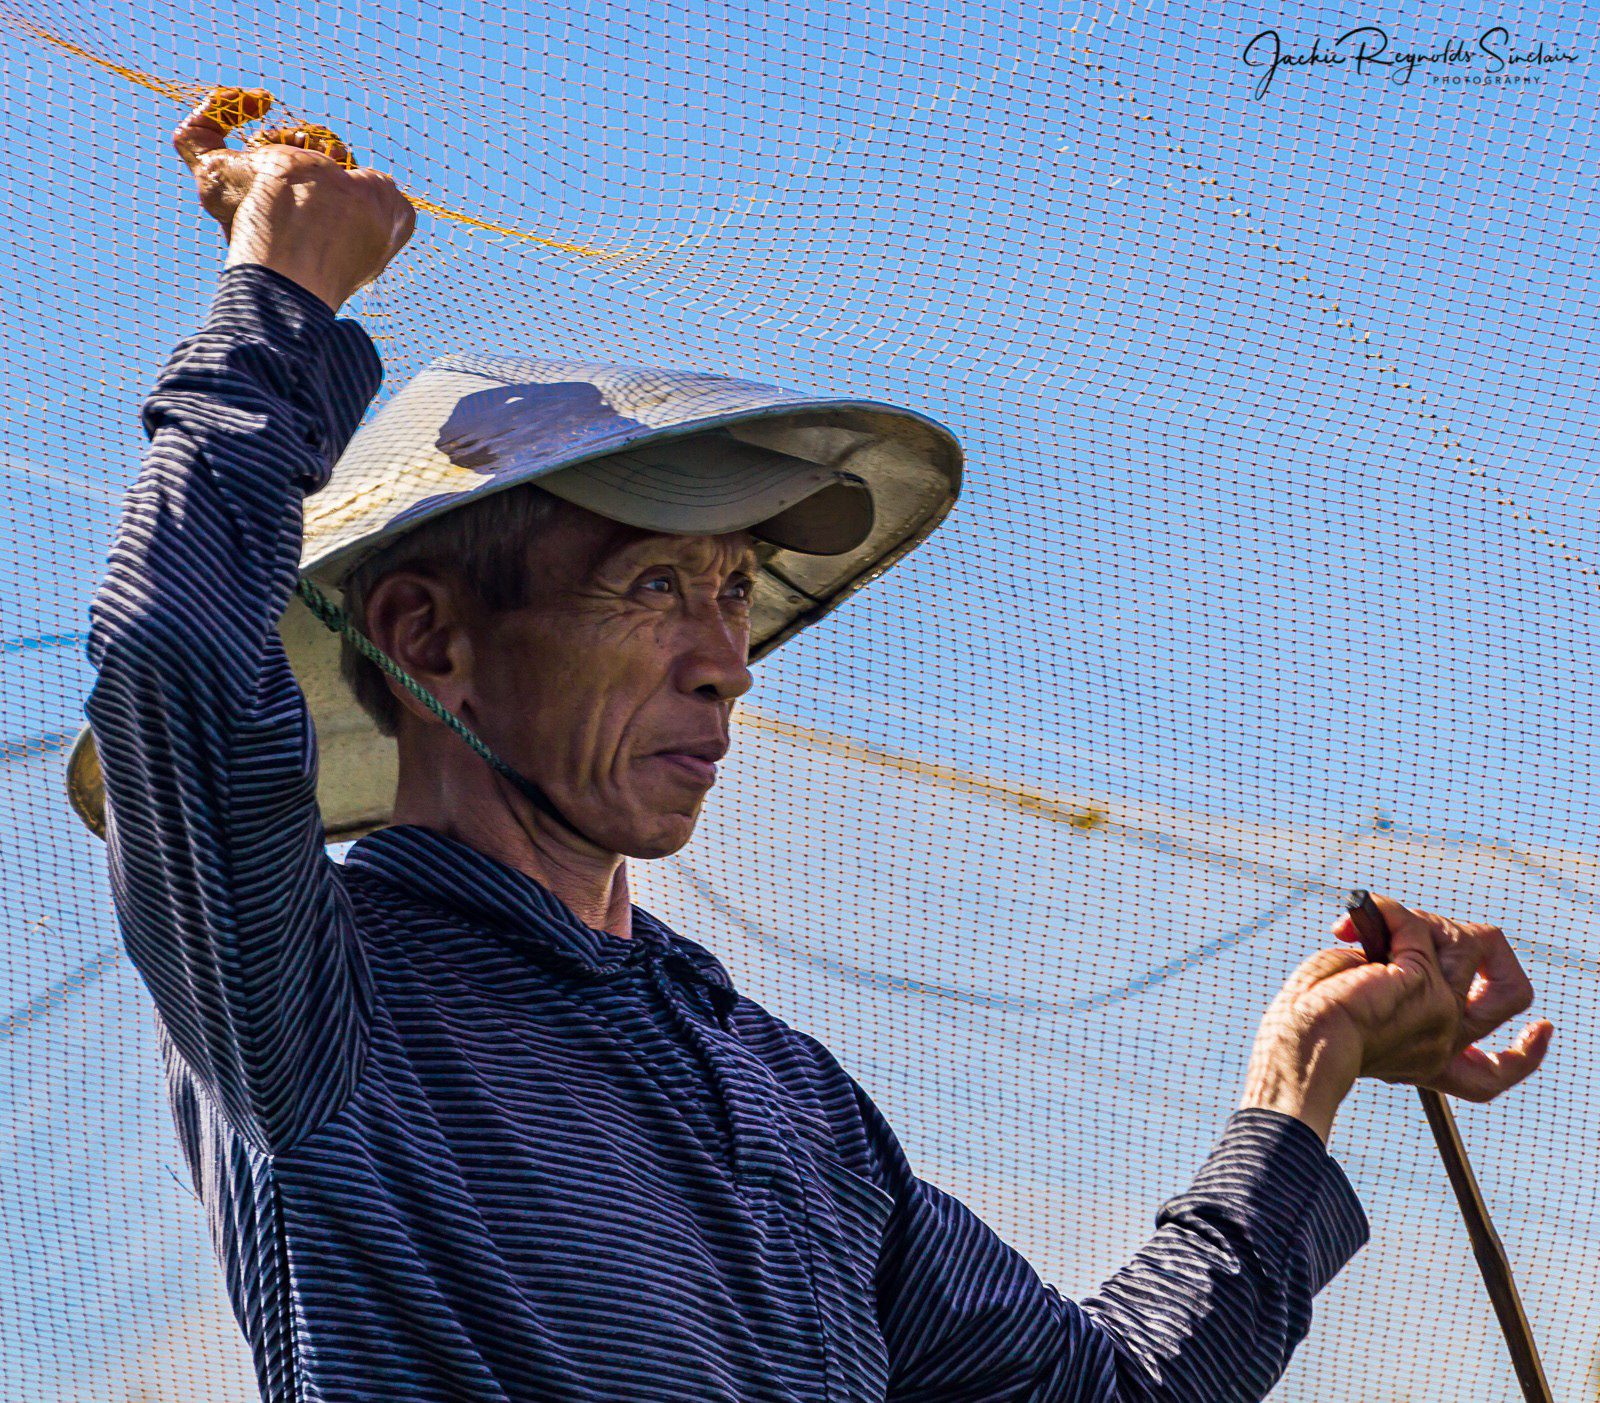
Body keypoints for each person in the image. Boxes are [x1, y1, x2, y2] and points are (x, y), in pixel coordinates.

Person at [78, 87, 1553, 1403]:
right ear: (425, 636)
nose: (725, 665)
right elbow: (172, 655)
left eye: (732, 594)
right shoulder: (313, 995)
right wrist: (276, 293)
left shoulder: (783, 1095)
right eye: (653, 585)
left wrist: (1306, 1074)